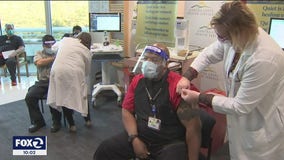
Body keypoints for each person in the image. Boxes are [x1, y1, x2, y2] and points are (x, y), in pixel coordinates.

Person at [177, 1, 284, 160]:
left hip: (262, 131)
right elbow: (209, 53)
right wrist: (187, 76)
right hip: (241, 125)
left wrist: (199, 97)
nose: (220, 40)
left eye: (222, 36)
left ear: (239, 33)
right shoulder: (235, 38)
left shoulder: (264, 57)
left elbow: (240, 105)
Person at [94, 43, 202, 160]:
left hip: (169, 142)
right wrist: (134, 138)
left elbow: (194, 128)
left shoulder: (177, 86)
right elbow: (127, 111)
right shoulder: (137, 81)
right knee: (105, 150)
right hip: (141, 135)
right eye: (146, 58)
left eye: (154, 60)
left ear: (166, 64)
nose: (148, 63)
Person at [47, 32, 92, 132]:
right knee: (82, 94)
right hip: (75, 72)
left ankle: (72, 125)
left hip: (58, 70)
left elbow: (53, 48)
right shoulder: (86, 50)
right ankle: (87, 120)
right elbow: (87, 70)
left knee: (63, 97)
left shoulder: (65, 40)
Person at [25, 35, 62, 133]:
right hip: (42, 82)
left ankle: (56, 121)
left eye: (52, 43)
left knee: (53, 98)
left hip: (55, 82)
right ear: (43, 44)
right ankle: (38, 121)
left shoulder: (60, 53)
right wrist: (54, 58)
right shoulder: (39, 53)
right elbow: (39, 63)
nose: (50, 46)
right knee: (30, 97)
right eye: (47, 44)